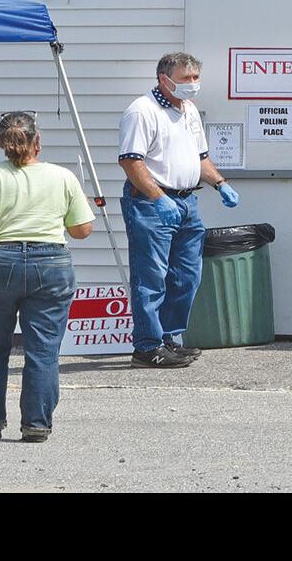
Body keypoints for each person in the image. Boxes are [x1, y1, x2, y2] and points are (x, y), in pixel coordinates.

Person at [0, 111, 95, 442]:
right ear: (37, 141)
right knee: (43, 349)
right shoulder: (62, 176)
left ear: (2, 144)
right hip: (51, 263)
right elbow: (82, 231)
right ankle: (36, 424)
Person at [118, 52, 239, 369]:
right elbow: (131, 161)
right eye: (186, 78)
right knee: (151, 277)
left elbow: (201, 157)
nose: (193, 84)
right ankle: (147, 346)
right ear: (164, 79)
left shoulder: (189, 110)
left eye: (196, 77)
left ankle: (168, 338)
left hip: (187, 202)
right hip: (151, 203)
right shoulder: (143, 111)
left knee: (187, 276)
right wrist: (158, 198)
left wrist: (220, 183)